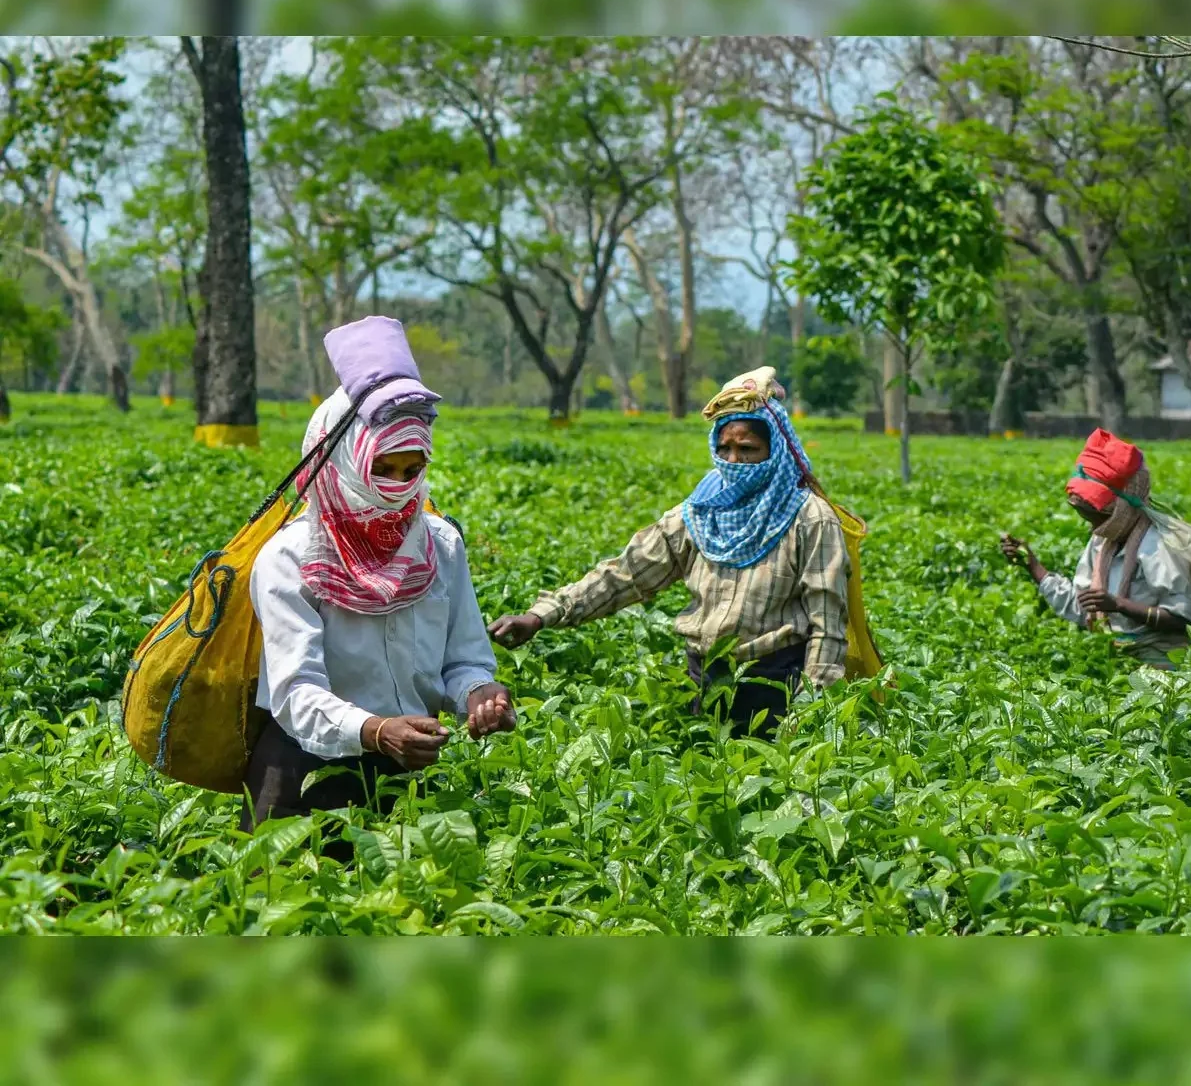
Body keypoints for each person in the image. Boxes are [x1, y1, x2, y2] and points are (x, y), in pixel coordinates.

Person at [241, 316, 516, 850]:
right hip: (304, 775)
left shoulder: (439, 545)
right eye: (383, 468)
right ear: (343, 460)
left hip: (410, 772)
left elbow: (463, 658)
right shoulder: (291, 557)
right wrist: (373, 730)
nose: (397, 486)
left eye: (411, 468)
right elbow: (295, 693)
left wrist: (480, 694)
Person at [488, 367, 849, 737]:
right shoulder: (700, 511)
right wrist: (540, 615)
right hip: (703, 682)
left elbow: (828, 626)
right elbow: (626, 574)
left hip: (774, 689)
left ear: (775, 450)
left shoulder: (809, 518)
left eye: (748, 449)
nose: (734, 460)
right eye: (724, 447)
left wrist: (809, 714)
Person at [1000, 428, 1191, 670]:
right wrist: (1032, 566)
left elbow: (1182, 619)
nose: (1093, 526)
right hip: (1115, 662)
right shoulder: (1103, 542)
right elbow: (1085, 607)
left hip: (1164, 668)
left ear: (1120, 508)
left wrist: (1119, 605)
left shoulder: (1157, 547)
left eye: (1096, 516)